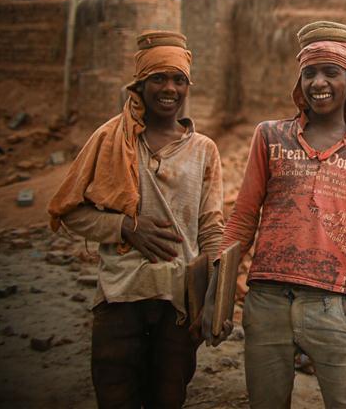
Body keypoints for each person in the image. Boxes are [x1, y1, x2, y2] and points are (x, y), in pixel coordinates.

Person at [47, 30, 224, 408]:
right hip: (120, 297)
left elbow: (211, 226)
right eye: (158, 78)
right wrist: (125, 227)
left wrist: (213, 296)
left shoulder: (204, 149)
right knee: (115, 394)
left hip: (177, 303)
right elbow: (70, 210)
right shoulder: (111, 139)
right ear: (139, 85)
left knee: (168, 396)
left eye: (179, 79)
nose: (169, 89)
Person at [205, 21, 346, 408]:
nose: (319, 83)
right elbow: (244, 217)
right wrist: (219, 290)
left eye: (331, 72)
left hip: (333, 302)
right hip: (266, 300)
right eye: (309, 73)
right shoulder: (270, 136)